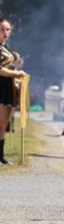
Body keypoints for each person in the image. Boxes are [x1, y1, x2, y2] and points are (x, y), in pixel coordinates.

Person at [0, 17, 25, 165]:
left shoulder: (5, 47)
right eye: (2, 29)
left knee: (4, 123)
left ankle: (1, 156)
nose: (5, 32)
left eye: (8, 29)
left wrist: (15, 63)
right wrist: (16, 74)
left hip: (7, 86)